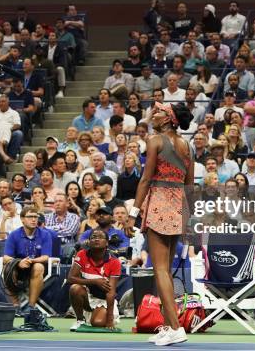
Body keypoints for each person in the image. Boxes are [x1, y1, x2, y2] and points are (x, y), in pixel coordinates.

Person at [132, 102, 193, 346]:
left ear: (168, 119)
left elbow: (146, 179)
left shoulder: (155, 140)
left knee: (159, 270)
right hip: (179, 205)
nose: (153, 116)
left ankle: (176, 328)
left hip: (159, 202)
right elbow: (189, 185)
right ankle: (168, 326)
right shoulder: (186, 145)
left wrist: (133, 211)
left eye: (157, 112)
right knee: (164, 271)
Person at [3, 205, 52, 317]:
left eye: (36, 216)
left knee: (39, 267)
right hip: (18, 268)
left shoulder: (45, 234)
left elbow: (46, 257)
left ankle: (31, 306)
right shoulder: (14, 235)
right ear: (22, 219)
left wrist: (31, 261)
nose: (34, 219)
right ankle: (16, 305)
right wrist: (18, 262)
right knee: (8, 267)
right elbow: (6, 257)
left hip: (35, 268)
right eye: (30, 216)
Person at [68, 228, 121, 331]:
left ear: (106, 243)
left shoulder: (114, 262)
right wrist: (94, 281)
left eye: (100, 237)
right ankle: (80, 320)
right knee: (75, 288)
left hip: (103, 300)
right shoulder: (82, 254)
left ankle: (101, 315)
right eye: (93, 237)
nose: (97, 239)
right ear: (89, 241)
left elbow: (111, 292)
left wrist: (110, 319)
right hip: (87, 298)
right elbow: (70, 279)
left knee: (98, 323)